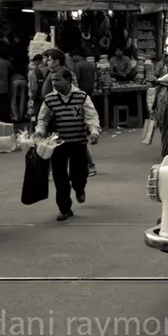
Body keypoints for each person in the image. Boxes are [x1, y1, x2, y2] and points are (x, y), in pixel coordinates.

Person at [35, 68, 101, 221]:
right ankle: (65, 208)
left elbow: (91, 116)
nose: (54, 83)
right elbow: (43, 119)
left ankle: (79, 188)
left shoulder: (82, 97)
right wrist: (39, 131)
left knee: (79, 173)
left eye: (57, 80)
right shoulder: (50, 99)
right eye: (52, 80)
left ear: (68, 80)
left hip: (78, 141)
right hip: (58, 144)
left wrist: (94, 132)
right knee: (60, 178)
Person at [42, 48, 96, 177]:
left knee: (78, 139)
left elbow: (74, 90)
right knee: (54, 140)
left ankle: (89, 165)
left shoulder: (67, 74)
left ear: (56, 61)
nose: (46, 62)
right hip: (54, 110)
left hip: (70, 110)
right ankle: (53, 170)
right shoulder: (51, 74)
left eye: (49, 60)